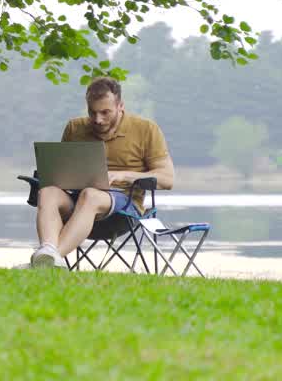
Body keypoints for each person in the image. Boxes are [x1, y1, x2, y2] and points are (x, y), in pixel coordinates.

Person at [28, 76, 174, 269]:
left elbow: (167, 179)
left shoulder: (146, 129)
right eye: (92, 112)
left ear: (120, 105)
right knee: (47, 192)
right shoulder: (75, 128)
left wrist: (124, 175)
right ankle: (48, 254)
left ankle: (47, 261)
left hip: (124, 208)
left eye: (105, 112)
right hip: (78, 203)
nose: (98, 119)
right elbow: (63, 172)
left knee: (91, 195)